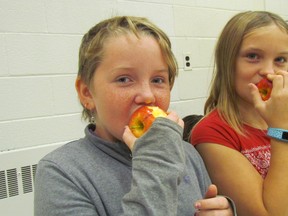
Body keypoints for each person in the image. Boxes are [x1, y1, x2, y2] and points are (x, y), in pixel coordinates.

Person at [34, 16, 236, 215]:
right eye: (124, 79)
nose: (147, 96)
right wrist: (158, 163)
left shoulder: (187, 153)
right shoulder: (61, 172)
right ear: (87, 93)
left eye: (158, 80)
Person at [190, 11, 288, 216]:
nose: (269, 71)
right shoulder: (212, 133)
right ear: (228, 63)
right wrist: (281, 129)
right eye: (253, 56)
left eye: (280, 59)